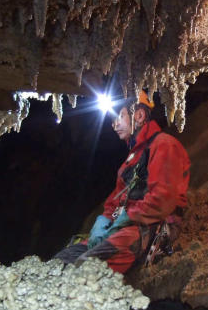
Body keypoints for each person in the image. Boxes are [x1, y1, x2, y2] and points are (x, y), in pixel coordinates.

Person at [55, 90, 190, 273]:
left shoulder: (164, 145)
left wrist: (127, 218)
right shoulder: (132, 159)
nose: (114, 124)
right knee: (63, 259)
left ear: (140, 115)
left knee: (86, 267)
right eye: (112, 120)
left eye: (119, 117)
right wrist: (104, 221)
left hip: (151, 224)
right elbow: (116, 201)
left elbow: (162, 199)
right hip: (126, 224)